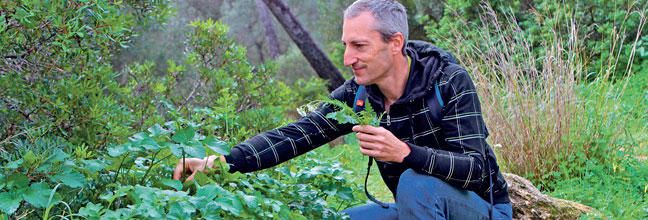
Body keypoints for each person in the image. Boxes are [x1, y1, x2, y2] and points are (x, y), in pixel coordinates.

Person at [173, 0, 512, 219]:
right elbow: (299, 134)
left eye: (359, 45)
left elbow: (477, 170)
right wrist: (223, 162)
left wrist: (406, 153)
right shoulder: (359, 93)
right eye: (346, 45)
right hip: (414, 210)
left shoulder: (448, 80)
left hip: (481, 209)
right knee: (346, 219)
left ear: (395, 44)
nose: (348, 57)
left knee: (416, 183)